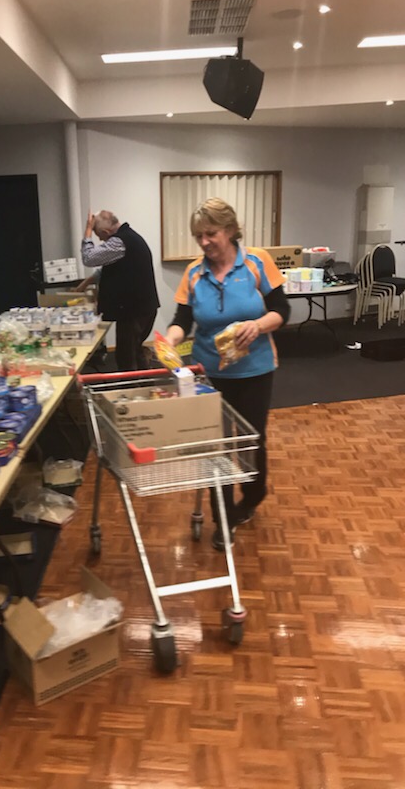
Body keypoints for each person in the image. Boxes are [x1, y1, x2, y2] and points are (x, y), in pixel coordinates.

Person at [165, 197, 290, 551]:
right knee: (215, 447)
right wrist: (170, 340)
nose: (204, 242)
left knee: (251, 442)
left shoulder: (257, 262)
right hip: (209, 374)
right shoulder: (194, 273)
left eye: (211, 233)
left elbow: (282, 310)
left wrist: (258, 324)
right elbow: (182, 320)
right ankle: (223, 517)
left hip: (255, 371)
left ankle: (251, 497)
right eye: (198, 236)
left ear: (231, 230)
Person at [80, 210, 159, 371]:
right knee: (134, 351)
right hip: (142, 308)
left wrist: (87, 231)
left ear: (106, 232)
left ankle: (133, 385)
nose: (100, 240)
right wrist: (85, 284)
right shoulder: (129, 237)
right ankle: (143, 382)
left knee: (126, 357)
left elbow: (89, 258)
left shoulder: (119, 242)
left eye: (99, 236)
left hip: (134, 312)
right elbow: (106, 269)